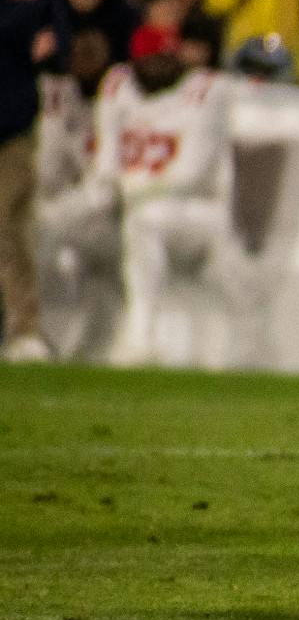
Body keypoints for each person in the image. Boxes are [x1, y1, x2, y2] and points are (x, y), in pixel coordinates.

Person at [90, 26, 235, 367]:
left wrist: (129, 191)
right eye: (151, 59)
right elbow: (105, 165)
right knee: (57, 221)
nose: (160, 66)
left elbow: (190, 173)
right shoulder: (119, 88)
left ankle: (140, 336)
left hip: (199, 211)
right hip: (136, 205)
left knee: (145, 221)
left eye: (166, 58)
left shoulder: (205, 91)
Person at [1, 0, 67, 362]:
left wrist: (50, 46)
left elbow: (58, 45)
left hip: (13, 126)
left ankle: (25, 329)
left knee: (7, 225)